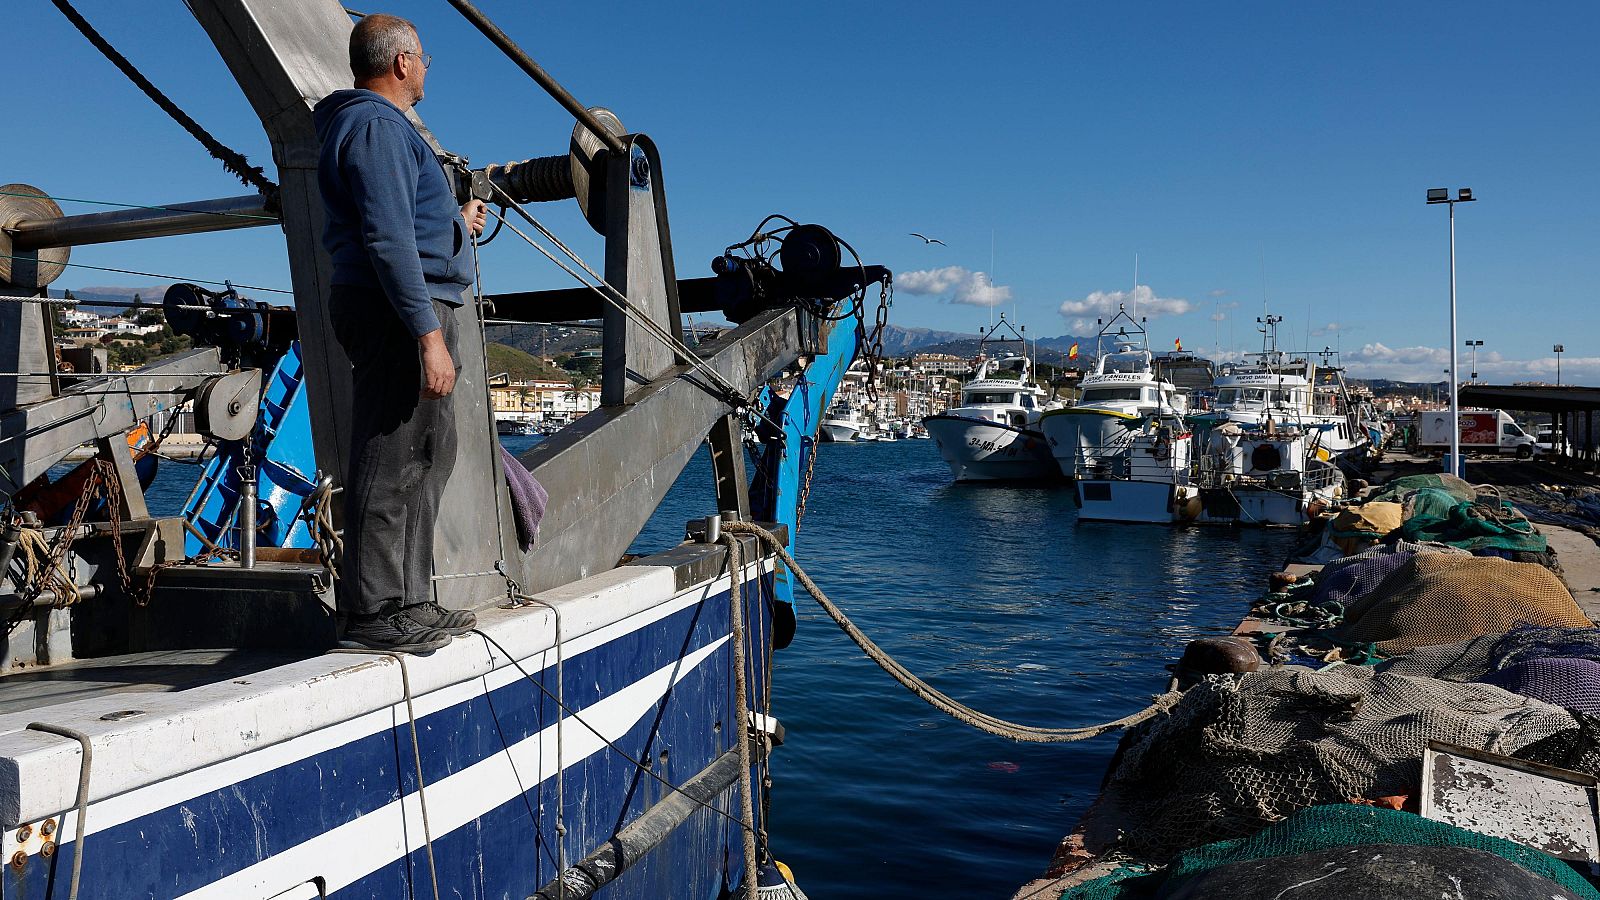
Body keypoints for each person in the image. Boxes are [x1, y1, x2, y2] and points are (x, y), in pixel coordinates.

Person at [313, 13, 489, 652]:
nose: (429, 67)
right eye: (425, 57)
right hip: (397, 314)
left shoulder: (378, 130)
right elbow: (387, 240)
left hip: (411, 307)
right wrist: (427, 335)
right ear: (401, 63)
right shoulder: (375, 126)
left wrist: (454, 219)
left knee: (428, 457)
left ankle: (411, 600)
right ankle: (371, 611)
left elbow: (404, 223)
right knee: (389, 460)